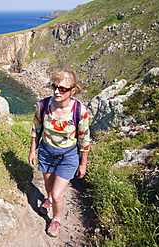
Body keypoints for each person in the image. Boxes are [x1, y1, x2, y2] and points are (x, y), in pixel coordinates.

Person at [28, 69, 90, 237]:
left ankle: (56, 219)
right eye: (54, 86)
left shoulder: (79, 111)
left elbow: (84, 140)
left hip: (68, 156)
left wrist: (83, 164)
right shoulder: (43, 105)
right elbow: (36, 129)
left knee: (57, 194)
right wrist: (32, 150)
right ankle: (48, 200)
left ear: (73, 91)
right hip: (46, 153)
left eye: (62, 88)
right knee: (48, 187)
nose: (56, 91)